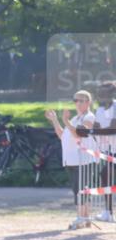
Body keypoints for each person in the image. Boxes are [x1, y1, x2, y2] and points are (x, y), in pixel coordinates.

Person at [47, 90, 96, 229]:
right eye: (76, 100)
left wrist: (66, 121)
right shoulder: (76, 119)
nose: (77, 103)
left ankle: (82, 218)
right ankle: (85, 218)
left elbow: (80, 134)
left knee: (81, 189)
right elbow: (62, 135)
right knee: (79, 189)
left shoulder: (89, 117)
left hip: (83, 159)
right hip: (73, 159)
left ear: (88, 103)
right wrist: (55, 120)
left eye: (81, 101)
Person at [94, 83, 116, 221]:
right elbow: (96, 127)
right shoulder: (99, 110)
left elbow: (113, 127)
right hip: (108, 150)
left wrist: (99, 131)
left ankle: (109, 212)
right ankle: (108, 212)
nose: (101, 96)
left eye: (104, 93)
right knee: (105, 176)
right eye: (99, 93)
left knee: (105, 174)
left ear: (112, 94)